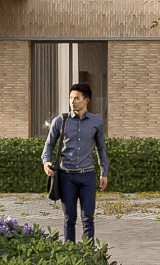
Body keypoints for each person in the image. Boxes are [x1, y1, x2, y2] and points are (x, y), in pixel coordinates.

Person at [41, 81, 109, 242]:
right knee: (69, 219)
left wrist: (104, 172)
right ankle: (69, 253)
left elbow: (101, 149)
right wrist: (46, 161)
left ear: (86, 100)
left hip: (87, 176)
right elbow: (49, 145)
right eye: (71, 98)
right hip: (66, 177)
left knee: (88, 219)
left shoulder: (97, 122)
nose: (73, 101)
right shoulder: (60, 121)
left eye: (77, 98)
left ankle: (88, 253)